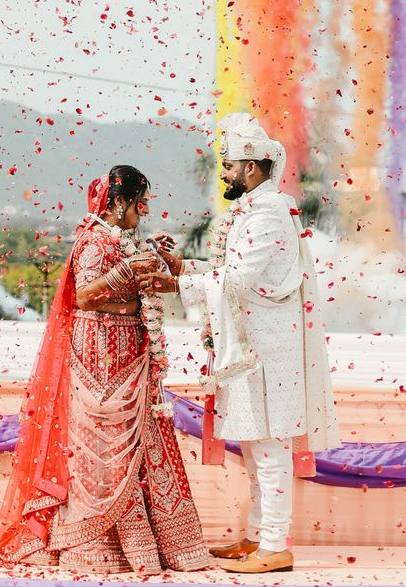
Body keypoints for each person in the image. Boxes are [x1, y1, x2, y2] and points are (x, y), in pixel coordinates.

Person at [137, 113, 340, 573]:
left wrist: (176, 285)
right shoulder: (257, 210)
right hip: (252, 351)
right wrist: (182, 268)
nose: (225, 174)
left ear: (251, 168)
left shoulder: (267, 215)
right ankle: (254, 537)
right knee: (254, 449)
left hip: (266, 353)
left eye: (228, 166)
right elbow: (229, 274)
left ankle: (274, 546)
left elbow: (241, 280)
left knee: (269, 450)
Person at [0, 164, 210, 575]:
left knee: (134, 445)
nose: (143, 211)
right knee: (102, 447)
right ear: (121, 201)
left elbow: (133, 286)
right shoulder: (94, 241)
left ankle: (150, 545)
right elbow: (86, 297)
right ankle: (90, 544)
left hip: (127, 351)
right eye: (139, 202)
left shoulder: (123, 239)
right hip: (98, 354)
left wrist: (154, 263)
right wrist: (127, 274)